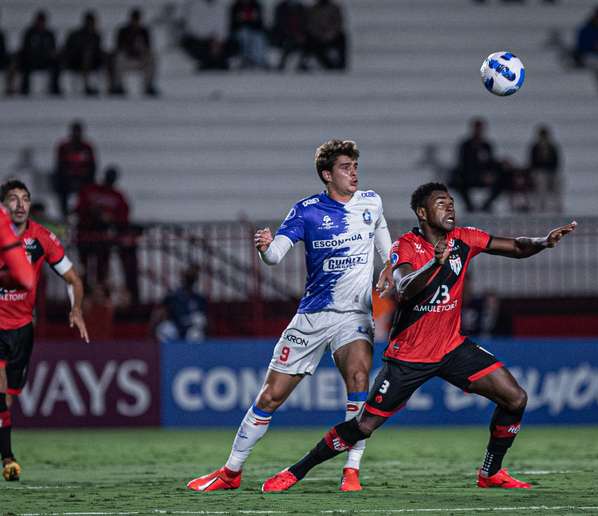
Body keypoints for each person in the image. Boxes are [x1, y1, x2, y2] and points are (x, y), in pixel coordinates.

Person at [260, 182, 576, 493]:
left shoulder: (464, 238)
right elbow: (404, 286)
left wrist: (543, 241)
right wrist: (434, 264)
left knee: (515, 398)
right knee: (363, 427)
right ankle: (297, 470)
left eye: (451, 201)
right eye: (441, 202)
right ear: (422, 212)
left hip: (452, 348)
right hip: (408, 357)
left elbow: (516, 247)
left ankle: (490, 472)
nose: (450, 206)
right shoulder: (406, 246)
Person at [187, 139, 393, 493]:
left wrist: (391, 268)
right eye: (346, 167)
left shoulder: (371, 203)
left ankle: (351, 469)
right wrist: (266, 247)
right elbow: (275, 256)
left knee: (359, 380)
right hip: (312, 316)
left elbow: (386, 248)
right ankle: (231, 472)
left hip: (354, 315)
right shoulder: (306, 210)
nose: (354, 172)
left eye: (356, 165)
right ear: (327, 175)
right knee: (270, 397)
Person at [0, 179, 89, 482]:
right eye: (13, 199)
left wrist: (75, 309)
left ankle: (6, 454)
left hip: (22, 329)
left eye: (25, 198)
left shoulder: (42, 238)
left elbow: (73, 280)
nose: (21, 204)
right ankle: (8, 459)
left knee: (8, 399)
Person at [74, 166, 138, 304]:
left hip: (104, 239)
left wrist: (109, 219)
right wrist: (93, 213)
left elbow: (123, 218)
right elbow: (79, 210)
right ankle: (83, 295)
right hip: (85, 235)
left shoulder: (117, 195)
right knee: (84, 268)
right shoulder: (90, 190)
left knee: (101, 270)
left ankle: (99, 296)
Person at [450, 118, 502, 213]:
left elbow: (491, 162)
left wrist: (489, 174)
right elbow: (463, 163)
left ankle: (486, 205)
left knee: (501, 181)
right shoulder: (465, 145)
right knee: (457, 182)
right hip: (469, 175)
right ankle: (469, 206)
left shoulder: (487, 145)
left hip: (484, 176)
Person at [152, 265, 208, 343]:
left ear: (195, 280)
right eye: (187, 278)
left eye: (191, 278)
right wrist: (155, 324)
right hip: (175, 326)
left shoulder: (199, 299)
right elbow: (159, 314)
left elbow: (205, 320)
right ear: (183, 279)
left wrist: (202, 322)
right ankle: (169, 353)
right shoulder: (172, 297)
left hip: (191, 329)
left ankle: (192, 354)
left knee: (196, 334)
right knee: (164, 329)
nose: (188, 281)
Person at [53, 120, 97, 218]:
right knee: (61, 187)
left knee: (89, 190)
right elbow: (60, 165)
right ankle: (64, 214)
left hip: (84, 179)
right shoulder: (64, 147)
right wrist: (69, 175)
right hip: (67, 179)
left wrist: (83, 175)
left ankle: (85, 213)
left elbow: (92, 166)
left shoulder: (87, 147)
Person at [111, 8, 159, 97]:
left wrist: (141, 49)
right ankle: (119, 86)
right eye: (134, 19)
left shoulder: (144, 32)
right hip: (127, 60)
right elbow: (118, 48)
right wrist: (129, 47)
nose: (135, 22)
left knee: (152, 57)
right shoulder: (123, 31)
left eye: (137, 20)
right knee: (119, 57)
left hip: (140, 60)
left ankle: (148, 86)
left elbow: (148, 48)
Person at [15, 10, 61, 96]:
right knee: (25, 63)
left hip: (46, 60)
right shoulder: (29, 33)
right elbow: (25, 49)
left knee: (56, 64)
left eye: (42, 21)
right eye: (39, 21)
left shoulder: (49, 34)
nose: (41, 23)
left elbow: (53, 49)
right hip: (32, 60)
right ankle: (24, 88)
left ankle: (55, 87)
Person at [61, 11, 106, 96]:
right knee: (86, 54)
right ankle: (87, 85)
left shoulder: (96, 36)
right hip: (75, 62)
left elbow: (98, 51)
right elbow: (68, 49)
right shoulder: (75, 35)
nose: (91, 24)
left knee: (99, 56)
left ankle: (107, 87)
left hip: (92, 62)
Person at [181, 0, 235, 70]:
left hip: (219, 40)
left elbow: (225, 25)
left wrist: (218, 39)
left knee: (231, 45)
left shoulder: (221, 6)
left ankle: (219, 62)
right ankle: (207, 63)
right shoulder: (195, 5)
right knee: (194, 45)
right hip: (201, 39)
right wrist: (208, 37)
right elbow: (193, 27)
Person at [303, 0, 347, 71]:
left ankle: (341, 64)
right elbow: (310, 25)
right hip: (317, 37)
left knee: (342, 37)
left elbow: (338, 23)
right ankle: (327, 65)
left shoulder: (335, 8)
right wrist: (319, 35)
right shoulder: (312, 9)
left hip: (332, 35)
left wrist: (330, 34)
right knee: (311, 42)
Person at [527, 125, 561, 213]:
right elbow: (532, 162)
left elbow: (556, 161)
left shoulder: (552, 147)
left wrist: (551, 170)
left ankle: (557, 204)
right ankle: (541, 204)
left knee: (558, 180)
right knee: (541, 180)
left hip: (550, 171)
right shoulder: (535, 147)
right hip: (539, 171)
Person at [229, 0, 269, 69]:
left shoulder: (257, 5)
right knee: (244, 36)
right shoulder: (236, 6)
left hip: (255, 30)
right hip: (240, 31)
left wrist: (251, 21)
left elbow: (260, 23)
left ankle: (259, 60)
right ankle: (245, 59)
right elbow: (233, 23)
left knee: (258, 39)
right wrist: (242, 21)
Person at [271, 0, 306, 71]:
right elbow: (279, 24)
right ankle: (282, 64)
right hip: (285, 35)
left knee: (307, 44)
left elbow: (304, 23)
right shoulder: (280, 7)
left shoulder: (301, 7)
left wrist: (300, 34)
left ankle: (301, 63)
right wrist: (292, 34)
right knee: (288, 44)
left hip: (300, 35)